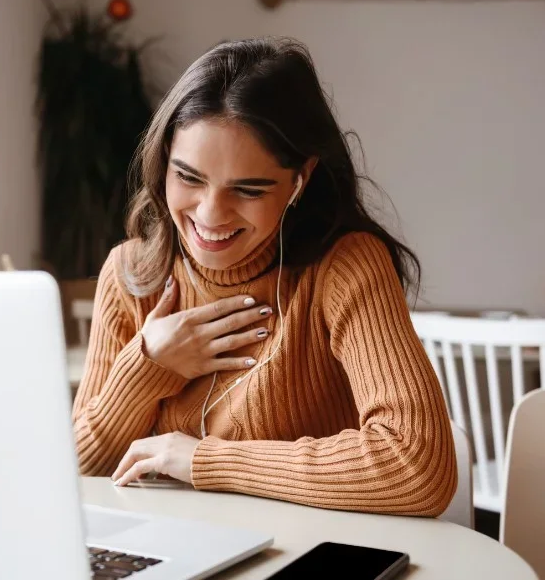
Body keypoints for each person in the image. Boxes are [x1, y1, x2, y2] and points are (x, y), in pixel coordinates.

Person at [72, 37, 456, 516]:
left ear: (300, 179)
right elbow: (78, 471)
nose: (210, 215)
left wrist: (204, 461)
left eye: (248, 189)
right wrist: (151, 366)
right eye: (188, 177)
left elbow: (417, 467)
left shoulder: (346, 266)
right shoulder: (132, 271)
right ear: (164, 159)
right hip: (172, 549)